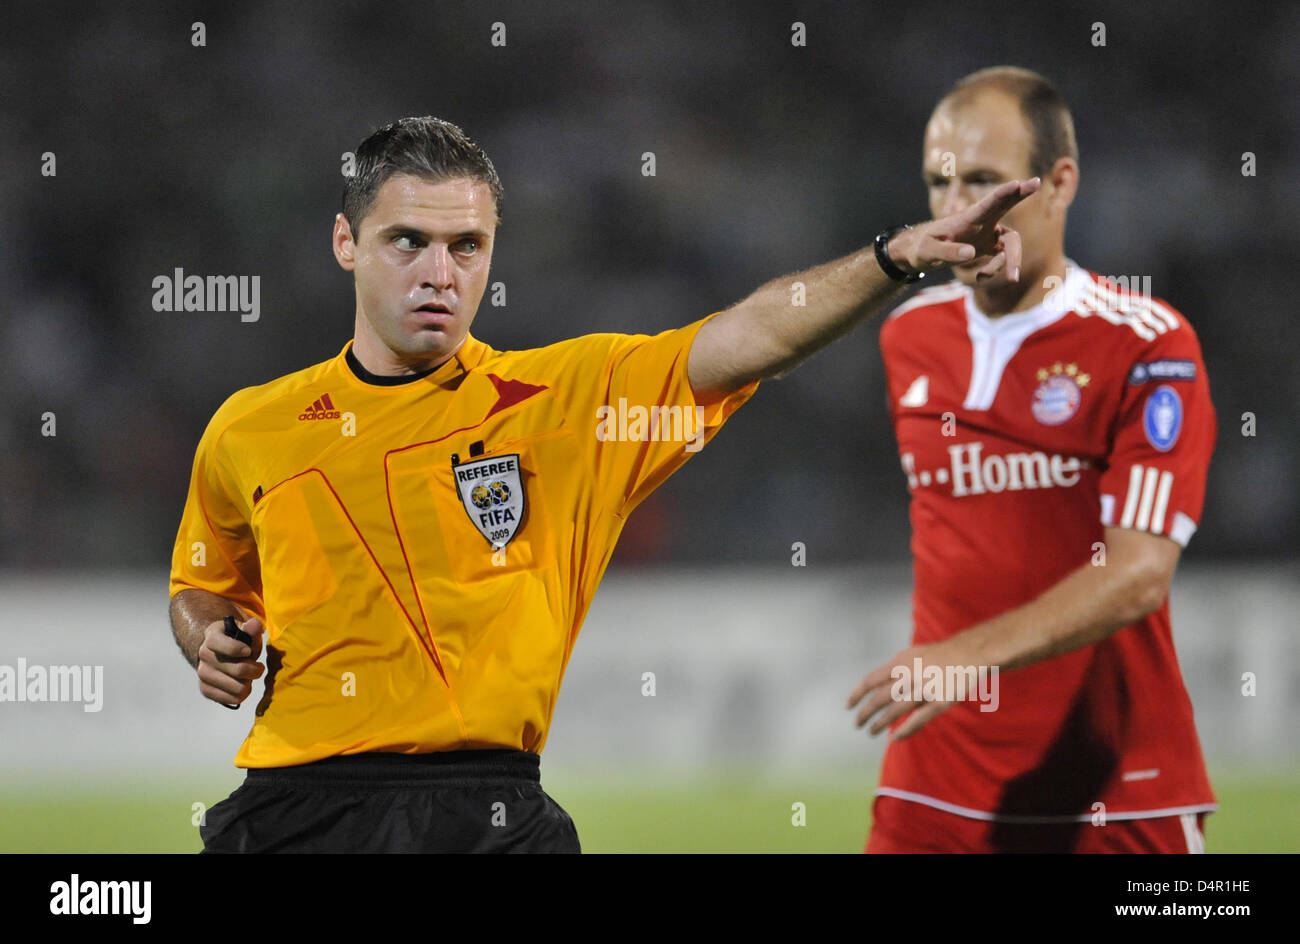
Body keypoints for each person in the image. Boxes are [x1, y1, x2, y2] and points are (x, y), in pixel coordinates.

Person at [169, 115, 1036, 853]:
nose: (441, 274)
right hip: (291, 810)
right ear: (346, 241)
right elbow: (200, 587)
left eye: (467, 247)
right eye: (410, 242)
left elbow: (752, 338)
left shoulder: (566, 402)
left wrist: (895, 259)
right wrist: (212, 637)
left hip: (485, 812)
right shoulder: (250, 426)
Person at [846, 67, 1217, 853]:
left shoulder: (1147, 344)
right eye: (940, 184)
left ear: (1059, 183)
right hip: (934, 777)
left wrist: (961, 659)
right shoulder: (909, 336)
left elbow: (1140, 572)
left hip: (1116, 788)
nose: (960, 212)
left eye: (985, 181)